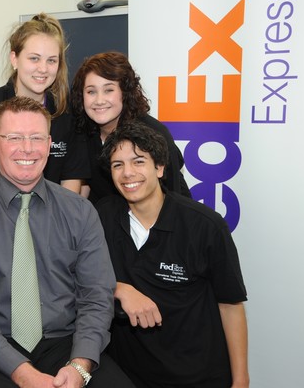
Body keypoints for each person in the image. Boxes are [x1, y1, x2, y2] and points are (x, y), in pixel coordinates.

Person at [0, 96, 135, 388]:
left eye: (36, 138)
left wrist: (80, 365)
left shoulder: (80, 211)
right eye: (14, 137)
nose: (27, 148)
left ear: (49, 144)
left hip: (65, 344)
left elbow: (96, 296)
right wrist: (23, 373)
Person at [95, 122, 249, 388]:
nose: (127, 173)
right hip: (127, 375)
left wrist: (241, 381)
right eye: (117, 165)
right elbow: (78, 278)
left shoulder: (204, 225)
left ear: (160, 167)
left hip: (197, 375)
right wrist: (119, 288)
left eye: (138, 161)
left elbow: (231, 305)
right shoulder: (101, 217)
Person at [0, 12, 89, 194]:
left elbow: (72, 179)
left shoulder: (67, 112)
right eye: (34, 58)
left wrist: (55, 219)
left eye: (51, 60)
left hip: (52, 216)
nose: (43, 69)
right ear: (14, 59)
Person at [70, 51, 190, 203]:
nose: (99, 100)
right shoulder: (82, 133)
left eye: (109, 90)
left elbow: (175, 195)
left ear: (125, 92)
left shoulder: (152, 133)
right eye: (91, 91)